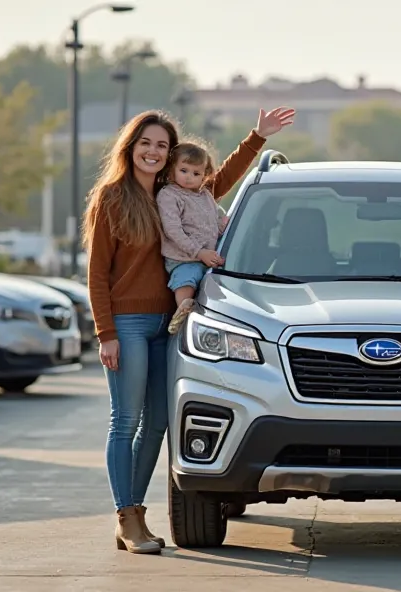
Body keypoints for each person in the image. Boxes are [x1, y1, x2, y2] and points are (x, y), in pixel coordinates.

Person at [82, 106, 295, 554]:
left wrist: (256, 137)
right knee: (126, 421)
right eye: (146, 143)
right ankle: (128, 516)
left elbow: (215, 183)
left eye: (162, 145)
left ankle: (134, 515)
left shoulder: (172, 191)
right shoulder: (112, 198)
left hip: (169, 323)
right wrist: (106, 334)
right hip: (128, 323)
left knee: (159, 421)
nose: (154, 152)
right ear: (131, 147)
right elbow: (97, 273)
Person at [156, 140, 231, 335]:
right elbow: (172, 229)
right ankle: (183, 309)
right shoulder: (169, 195)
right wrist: (199, 252)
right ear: (172, 169)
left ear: (205, 175)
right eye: (184, 170)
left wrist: (226, 224)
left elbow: (217, 218)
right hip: (183, 258)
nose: (189, 177)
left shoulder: (205, 195)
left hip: (207, 259)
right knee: (186, 279)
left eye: (196, 173)